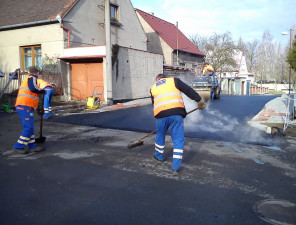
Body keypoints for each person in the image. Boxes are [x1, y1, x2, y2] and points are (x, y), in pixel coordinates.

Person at [150, 74, 206, 175]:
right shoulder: (173, 81)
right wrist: (198, 100)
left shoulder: (153, 88)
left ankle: (158, 157)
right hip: (176, 114)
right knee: (178, 139)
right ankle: (175, 167)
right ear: (165, 78)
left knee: (160, 136)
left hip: (160, 116)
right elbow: (188, 90)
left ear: (157, 79)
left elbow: (154, 104)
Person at [2, 67, 46, 157]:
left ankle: (32, 146)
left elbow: (31, 95)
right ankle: (18, 146)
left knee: (30, 128)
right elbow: (33, 89)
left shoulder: (28, 79)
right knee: (28, 128)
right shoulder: (32, 78)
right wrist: (42, 91)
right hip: (24, 106)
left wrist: (37, 107)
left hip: (26, 106)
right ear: (37, 73)